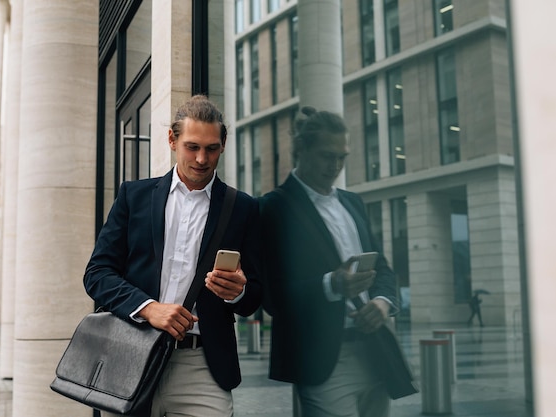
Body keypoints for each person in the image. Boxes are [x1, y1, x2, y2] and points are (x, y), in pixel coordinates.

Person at [84, 94, 262, 417]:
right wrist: (149, 309)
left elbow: (256, 294)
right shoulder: (133, 197)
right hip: (130, 352)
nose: (201, 159)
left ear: (223, 145)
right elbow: (97, 274)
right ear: (172, 139)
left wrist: (240, 292)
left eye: (211, 148)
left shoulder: (244, 208)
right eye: (192, 147)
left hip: (202, 365)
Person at [259, 107, 399, 417]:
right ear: (301, 150)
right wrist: (332, 284)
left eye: (342, 157)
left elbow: (385, 271)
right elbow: (271, 295)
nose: (335, 165)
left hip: (374, 351)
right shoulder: (274, 207)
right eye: (326, 155)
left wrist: (382, 304)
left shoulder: (353, 202)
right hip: (321, 359)